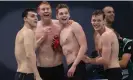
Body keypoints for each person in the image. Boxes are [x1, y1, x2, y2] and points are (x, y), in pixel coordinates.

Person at [83, 10, 122, 80]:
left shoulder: (106, 35)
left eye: (99, 20)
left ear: (104, 21)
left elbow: (105, 60)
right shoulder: (98, 35)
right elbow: (101, 56)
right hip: (108, 71)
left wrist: (89, 60)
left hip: (113, 72)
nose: (96, 23)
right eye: (94, 20)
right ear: (91, 21)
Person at [56, 4, 87, 80]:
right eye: (61, 14)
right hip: (70, 65)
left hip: (77, 65)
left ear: (69, 15)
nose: (64, 15)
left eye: (66, 13)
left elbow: (84, 46)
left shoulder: (74, 25)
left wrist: (74, 65)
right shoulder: (61, 31)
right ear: (57, 16)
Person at [35, 1, 65, 80]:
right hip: (42, 68)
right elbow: (30, 49)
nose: (46, 11)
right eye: (43, 9)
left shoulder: (60, 24)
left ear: (51, 10)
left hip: (58, 67)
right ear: (38, 11)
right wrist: (43, 37)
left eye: (48, 9)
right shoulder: (34, 27)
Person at [14, 8, 42, 80]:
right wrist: (37, 76)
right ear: (25, 19)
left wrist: (41, 39)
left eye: (36, 16)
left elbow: (30, 49)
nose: (36, 18)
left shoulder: (21, 32)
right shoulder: (28, 32)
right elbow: (30, 54)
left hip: (21, 74)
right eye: (32, 16)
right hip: (27, 75)